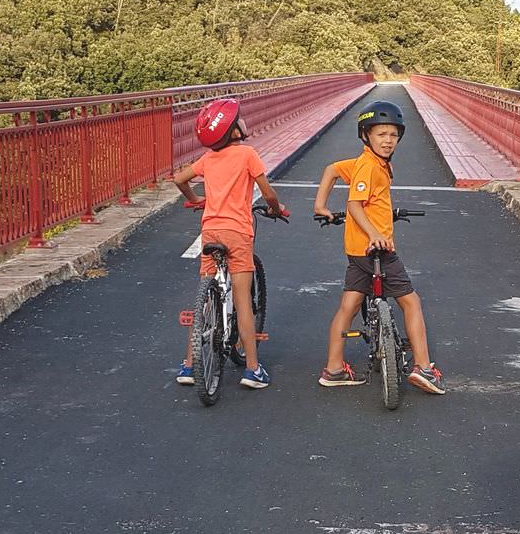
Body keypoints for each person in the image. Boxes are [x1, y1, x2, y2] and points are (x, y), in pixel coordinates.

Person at [317, 100, 446, 394]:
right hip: (376, 250)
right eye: (381, 134)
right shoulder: (369, 168)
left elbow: (331, 170)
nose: (388, 141)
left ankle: (334, 369)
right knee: (410, 302)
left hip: (356, 251)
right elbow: (354, 204)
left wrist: (320, 205)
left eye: (393, 135)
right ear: (366, 135)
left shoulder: (367, 163)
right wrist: (376, 233)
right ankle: (424, 368)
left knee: (349, 305)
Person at [174, 97, 287, 389]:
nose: (244, 122)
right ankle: (252, 369)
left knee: (204, 298)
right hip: (237, 232)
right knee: (241, 300)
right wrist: (276, 209)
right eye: (240, 119)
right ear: (233, 131)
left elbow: (179, 179)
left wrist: (197, 200)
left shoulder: (207, 159)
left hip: (210, 232)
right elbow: (268, 192)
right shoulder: (247, 154)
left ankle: (189, 366)